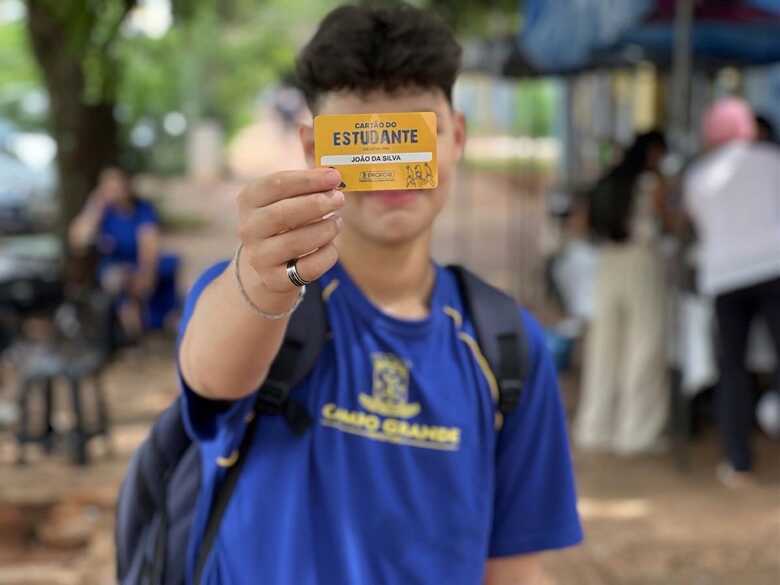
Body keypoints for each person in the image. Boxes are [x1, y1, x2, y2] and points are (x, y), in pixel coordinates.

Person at [177, 4, 582, 584]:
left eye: (413, 134)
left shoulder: (510, 346)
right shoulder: (258, 298)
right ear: (315, 148)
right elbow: (213, 375)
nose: (390, 166)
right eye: (360, 140)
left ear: (456, 137)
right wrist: (259, 279)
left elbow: (514, 568)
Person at [684, 97, 780, 487]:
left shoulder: (699, 176)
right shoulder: (772, 161)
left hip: (725, 277)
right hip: (773, 268)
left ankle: (738, 461)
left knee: (732, 368)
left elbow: (697, 226)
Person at [575, 131, 670, 455]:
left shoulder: (607, 180)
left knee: (603, 346)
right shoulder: (651, 183)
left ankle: (594, 426)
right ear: (653, 152)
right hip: (641, 260)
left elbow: (583, 224)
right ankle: (637, 432)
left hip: (607, 262)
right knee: (644, 344)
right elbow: (668, 222)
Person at [70, 167, 177, 340]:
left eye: (118, 185)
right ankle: (133, 335)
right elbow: (78, 241)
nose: (115, 191)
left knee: (158, 274)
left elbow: (149, 244)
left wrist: (146, 272)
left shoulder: (143, 210)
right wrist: (95, 206)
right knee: (120, 284)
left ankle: (149, 329)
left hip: (140, 264)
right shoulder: (102, 212)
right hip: (113, 269)